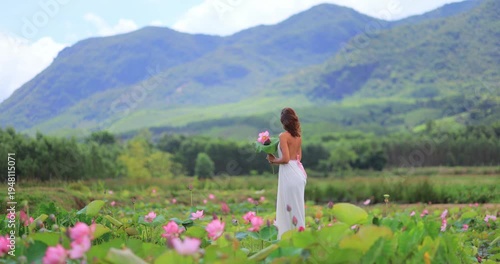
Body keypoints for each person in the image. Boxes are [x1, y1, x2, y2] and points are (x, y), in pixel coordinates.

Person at [266, 107, 307, 239]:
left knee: (288, 207)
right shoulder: (298, 137)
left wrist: (273, 160)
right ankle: (300, 234)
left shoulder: (283, 136)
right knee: (298, 207)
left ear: (284, 122)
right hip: (299, 174)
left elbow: (286, 159)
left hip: (289, 174)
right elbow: (298, 157)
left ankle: (288, 237)